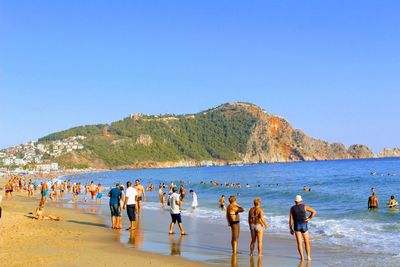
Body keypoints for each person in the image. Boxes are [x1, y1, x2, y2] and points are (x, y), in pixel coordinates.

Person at [289, 195, 316, 261]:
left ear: (295, 201)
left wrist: (290, 228)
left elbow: (291, 219)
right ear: (301, 200)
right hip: (304, 225)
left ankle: (302, 257)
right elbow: (314, 212)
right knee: (306, 242)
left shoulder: (292, 208)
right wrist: (309, 218)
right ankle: (309, 257)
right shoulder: (304, 206)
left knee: (299, 243)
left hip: (297, 226)